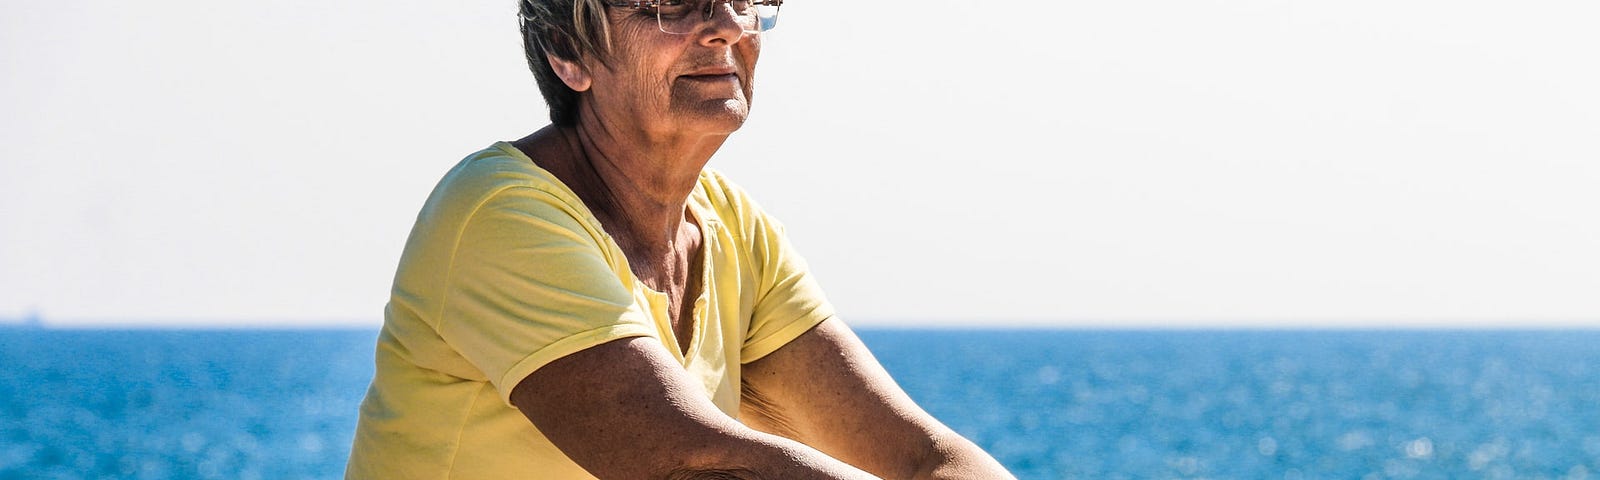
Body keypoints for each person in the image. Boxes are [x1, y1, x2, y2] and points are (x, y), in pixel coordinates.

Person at [345, 0, 1015, 478]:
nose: (725, 26)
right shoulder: (500, 215)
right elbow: (691, 462)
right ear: (569, 51)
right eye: (671, 4)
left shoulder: (736, 232)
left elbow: (919, 456)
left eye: (744, 0)